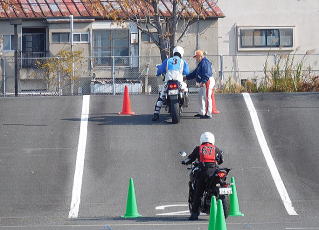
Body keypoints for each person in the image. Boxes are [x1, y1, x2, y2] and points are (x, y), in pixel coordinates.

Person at [181, 131, 224, 220]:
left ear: (201, 140)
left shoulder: (199, 148)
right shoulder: (216, 148)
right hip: (214, 172)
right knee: (220, 184)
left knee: (198, 192)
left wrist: (184, 161)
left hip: (203, 171)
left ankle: (195, 214)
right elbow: (220, 160)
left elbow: (190, 158)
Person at [152, 46, 190, 121]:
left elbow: (161, 70)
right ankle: (185, 101)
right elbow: (187, 72)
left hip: (168, 81)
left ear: (174, 52)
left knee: (161, 95)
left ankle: (156, 113)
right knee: (185, 90)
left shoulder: (167, 60)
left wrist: (158, 73)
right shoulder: (183, 62)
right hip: (179, 82)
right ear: (181, 53)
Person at [185, 50, 215, 119]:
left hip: (207, 81)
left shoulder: (205, 62)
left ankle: (208, 114)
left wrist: (203, 81)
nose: (196, 58)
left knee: (207, 97)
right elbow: (194, 73)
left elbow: (207, 73)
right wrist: (186, 77)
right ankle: (202, 112)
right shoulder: (201, 63)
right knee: (200, 97)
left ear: (200, 56)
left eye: (197, 57)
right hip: (204, 81)